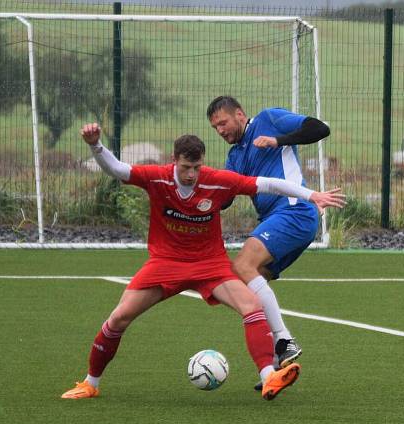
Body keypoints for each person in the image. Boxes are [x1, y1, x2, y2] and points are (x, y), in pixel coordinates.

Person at [61, 123, 345, 400]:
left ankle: (268, 376)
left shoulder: (216, 179)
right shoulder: (157, 177)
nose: (191, 174)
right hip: (166, 262)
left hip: (210, 264)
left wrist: (311, 195)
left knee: (252, 306)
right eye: (186, 168)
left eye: (196, 168)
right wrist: (95, 145)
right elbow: (118, 169)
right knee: (118, 318)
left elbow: (268, 183)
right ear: (174, 161)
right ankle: (91, 383)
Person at [207, 96, 330, 374]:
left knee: (242, 265)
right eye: (215, 128)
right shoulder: (235, 156)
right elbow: (225, 197)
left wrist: (278, 141)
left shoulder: (269, 120)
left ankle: (284, 340)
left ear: (240, 114)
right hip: (282, 219)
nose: (220, 130)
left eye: (223, 123)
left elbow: (320, 129)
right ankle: (275, 365)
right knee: (247, 284)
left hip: (293, 211)